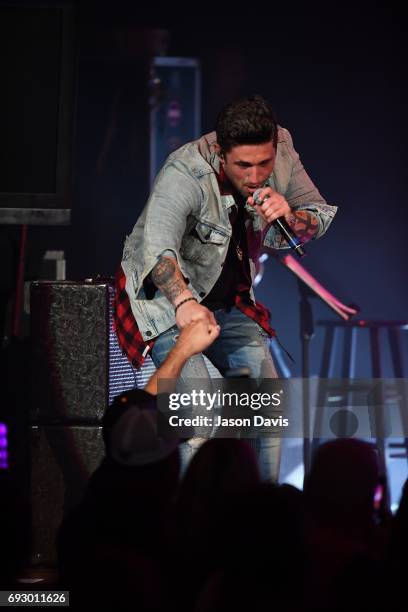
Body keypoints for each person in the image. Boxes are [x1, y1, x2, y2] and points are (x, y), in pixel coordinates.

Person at [115, 95, 337, 481]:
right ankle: (186, 522)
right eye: (244, 166)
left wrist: (292, 215)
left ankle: (259, 516)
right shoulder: (184, 171)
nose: (255, 176)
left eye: (263, 164)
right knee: (200, 415)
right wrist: (184, 301)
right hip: (168, 301)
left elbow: (316, 217)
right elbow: (158, 249)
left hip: (229, 300)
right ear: (221, 152)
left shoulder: (282, 146)